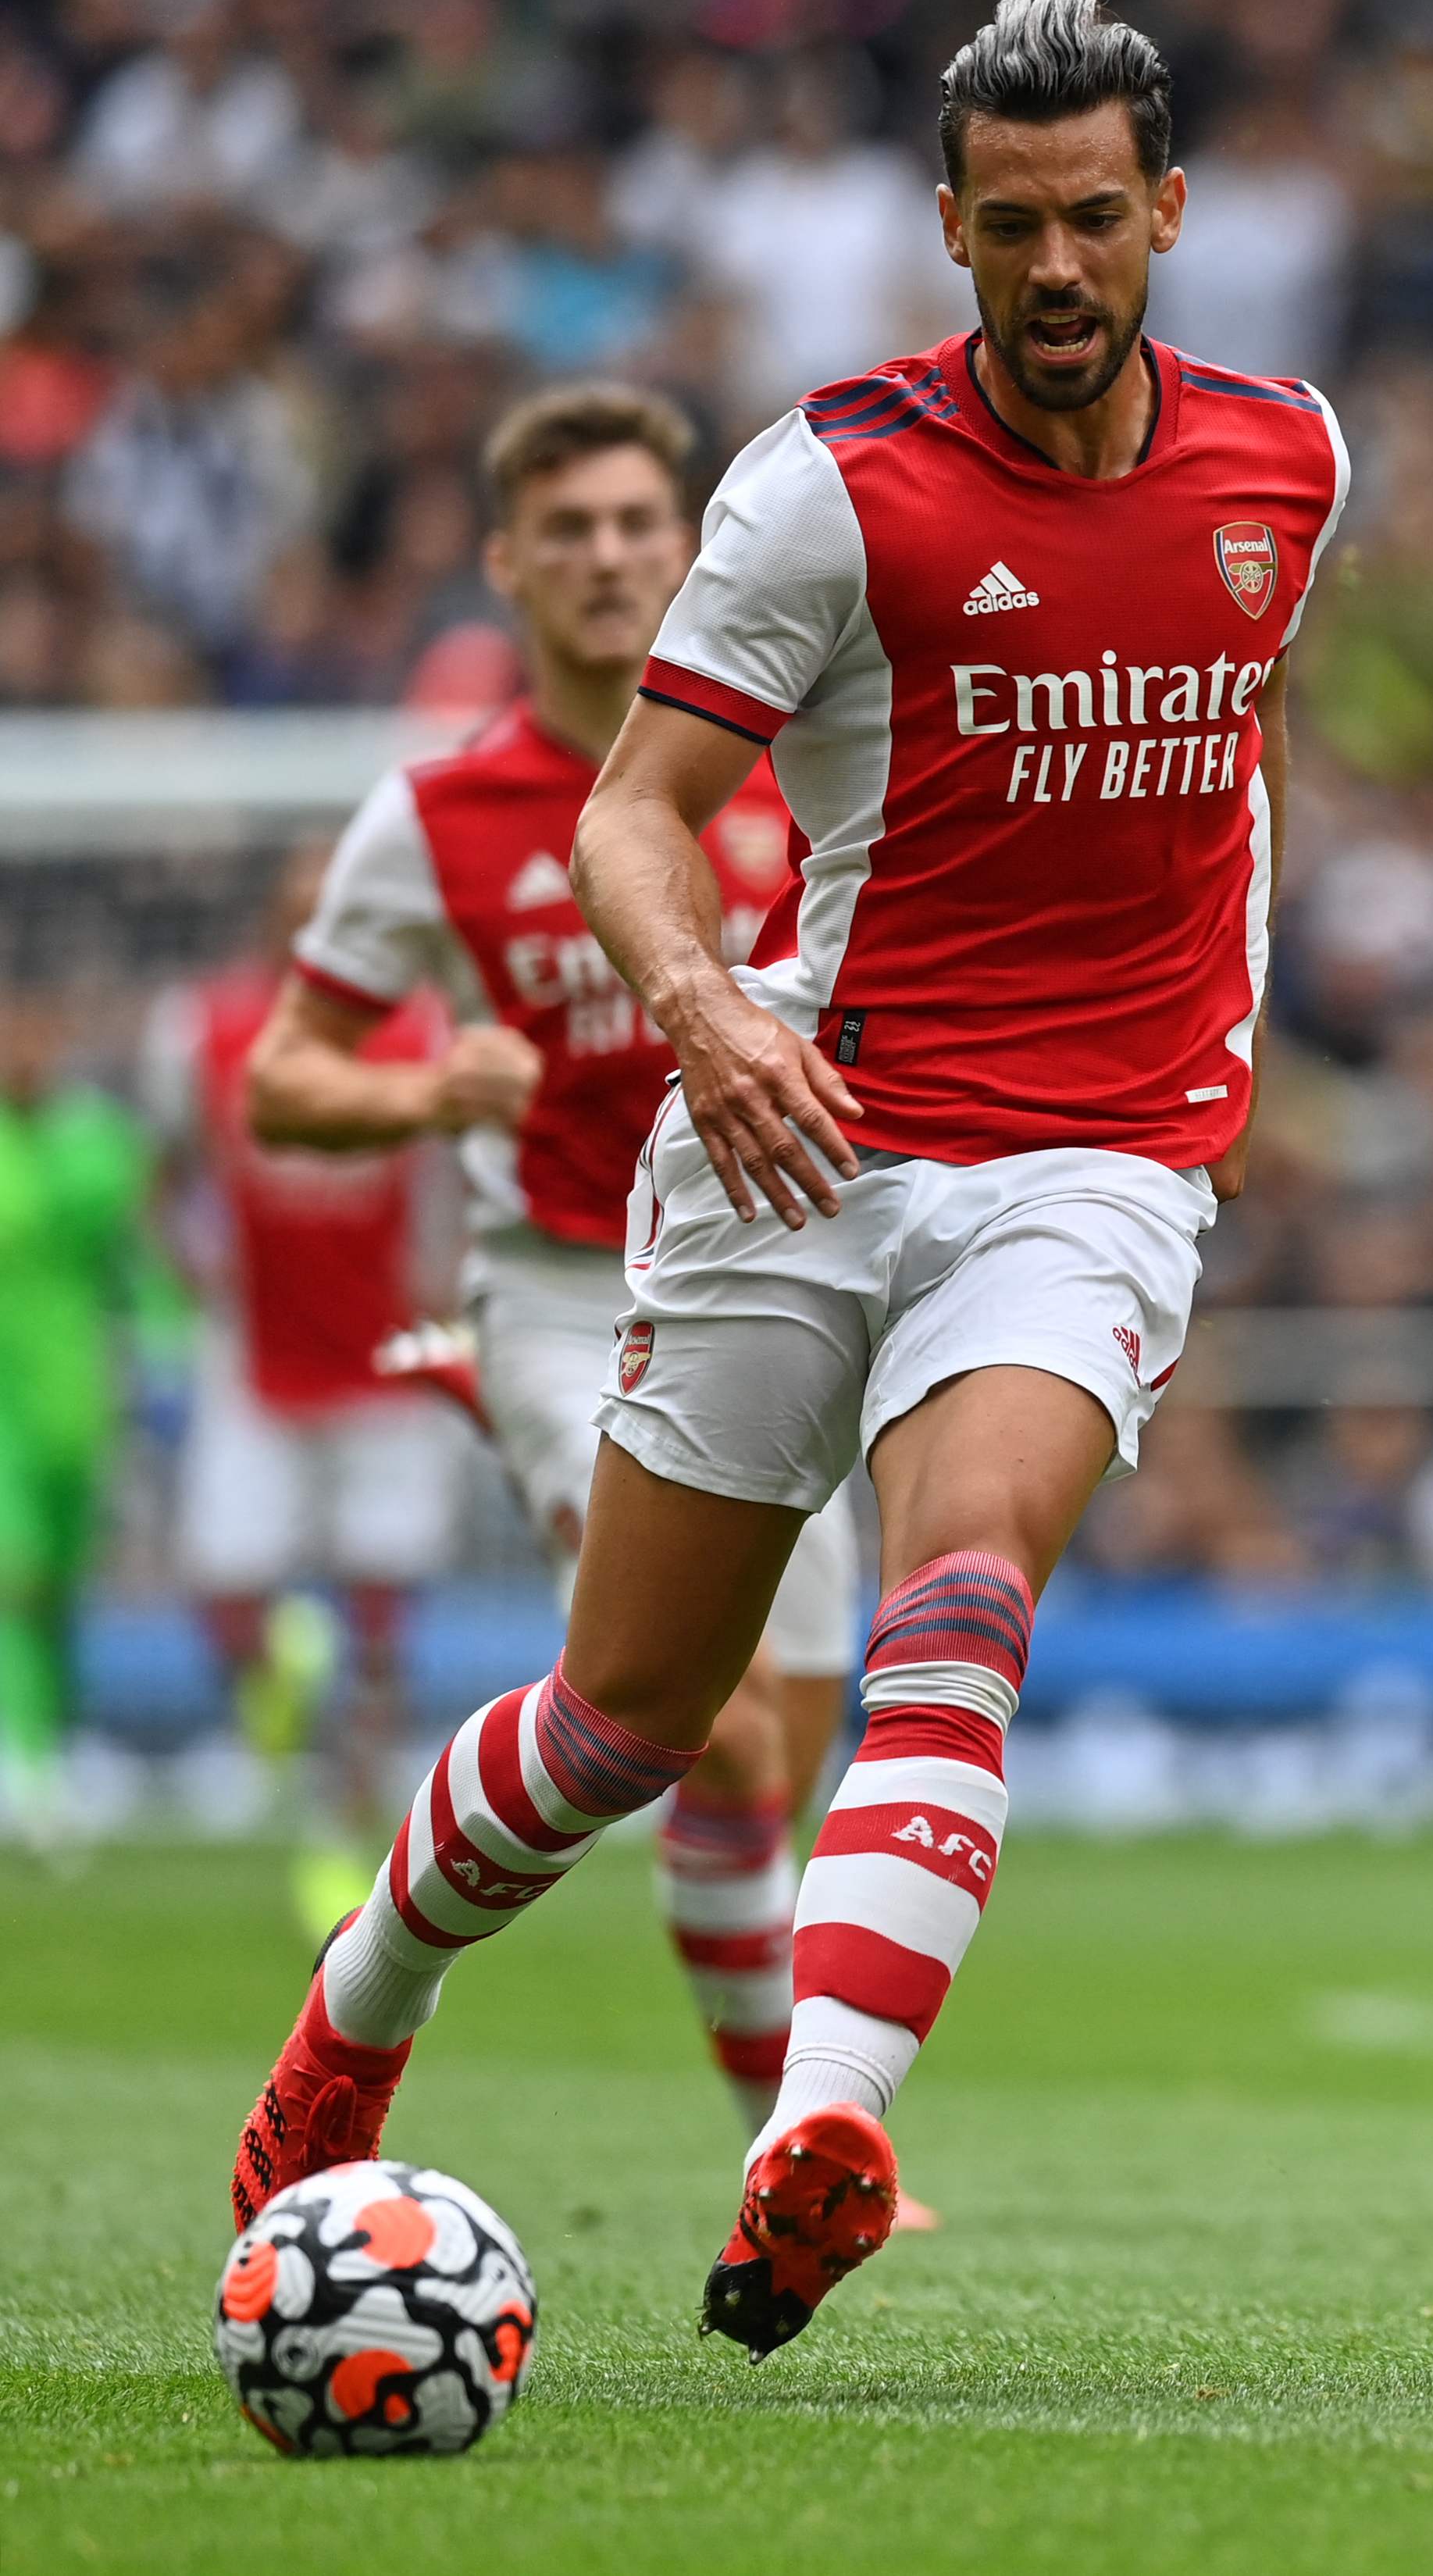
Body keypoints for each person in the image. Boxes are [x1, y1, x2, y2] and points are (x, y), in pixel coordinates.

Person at [227, 0, 1348, 2364]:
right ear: (948, 227)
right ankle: (363, 2002)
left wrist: (1212, 1071)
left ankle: (818, 2130)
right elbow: (636, 810)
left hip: (1092, 1159)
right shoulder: (828, 480)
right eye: (1011, 225)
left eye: (1098, 221)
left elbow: (1231, 774)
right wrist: (716, 1016)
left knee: (967, 1583)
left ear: (1172, 213)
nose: (1057, 269)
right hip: (797, 1136)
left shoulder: (1289, 465)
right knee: (634, 1717)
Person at [248, 380, 876, 2124]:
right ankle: (802, 2150)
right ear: (506, 565)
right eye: (572, 533)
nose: (609, 559)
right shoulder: (435, 822)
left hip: (769, 1265)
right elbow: (288, 1081)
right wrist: (424, 1090)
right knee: (715, 1728)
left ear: (689, 554)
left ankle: (783, 2124)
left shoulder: (792, 764)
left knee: (774, 1764)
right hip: (561, 1289)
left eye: (636, 526)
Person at [144, 865, 465, 1924]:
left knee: (382, 1600)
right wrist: (194, 1266)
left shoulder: (421, 1035)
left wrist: (448, 1285)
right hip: (258, 1354)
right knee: (223, 1582)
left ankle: (349, 1801)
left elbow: (459, 1180)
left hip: (380, 1358)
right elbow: (167, 1173)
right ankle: (287, 1684)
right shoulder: (207, 1033)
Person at [0, 989, 160, 1850]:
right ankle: (25, 1763)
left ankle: (54, 1748)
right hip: (2, 1403)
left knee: (60, 1584)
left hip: (75, 1392)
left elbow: (133, 1258)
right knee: (15, 1576)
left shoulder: (95, 1145)